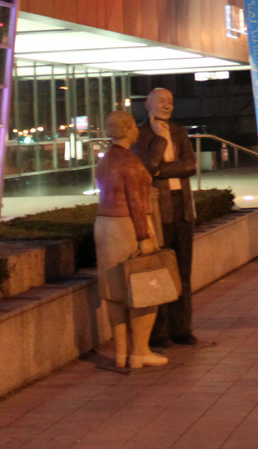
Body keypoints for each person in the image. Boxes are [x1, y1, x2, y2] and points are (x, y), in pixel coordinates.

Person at [93, 110, 168, 370]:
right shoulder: (131, 163)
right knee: (142, 287)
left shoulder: (104, 161)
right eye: (134, 127)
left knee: (115, 292)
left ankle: (120, 352)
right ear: (127, 131)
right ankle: (140, 351)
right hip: (126, 226)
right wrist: (145, 237)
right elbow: (136, 203)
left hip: (104, 225)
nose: (138, 130)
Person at [134, 87, 197, 347]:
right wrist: (159, 143)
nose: (167, 106)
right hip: (159, 211)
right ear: (148, 104)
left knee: (183, 271)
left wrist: (161, 170)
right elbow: (147, 168)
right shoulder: (140, 134)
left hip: (182, 209)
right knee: (159, 272)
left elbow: (190, 165)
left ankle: (182, 328)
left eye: (170, 102)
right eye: (161, 101)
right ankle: (158, 333)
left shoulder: (180, 133)